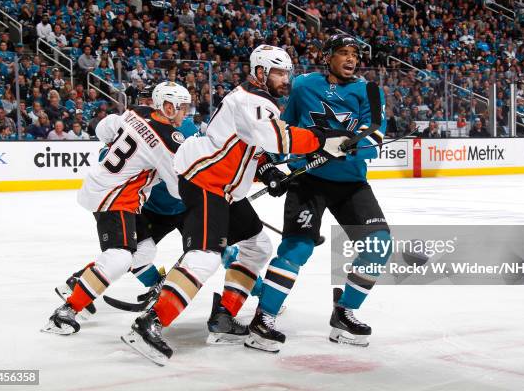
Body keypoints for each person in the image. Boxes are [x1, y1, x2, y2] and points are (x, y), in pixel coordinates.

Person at [121, 44, 353, 365]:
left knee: (257, 247)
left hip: (224, 188)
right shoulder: (253, 100)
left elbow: (250, 147)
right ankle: (149, 324)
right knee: (204, 258)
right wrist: (322, 138)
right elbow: (277, 138)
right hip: (205, 181)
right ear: (260, 72)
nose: (285, 78)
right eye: (278, 72)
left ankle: (225, 317)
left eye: (287, 72)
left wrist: (267, 170)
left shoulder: (257, 99)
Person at [245, 34, 393, 353]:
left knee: (379, 245)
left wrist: (349, 146)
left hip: (351, 183)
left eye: (354, 53)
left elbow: (376, 137)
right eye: (343, 53)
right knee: (296, 248)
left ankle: (344, 314)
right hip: (308, 180)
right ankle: (263, 319)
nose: (351, 59)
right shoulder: (303, 86)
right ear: (327, 57)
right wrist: (270, 168)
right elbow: (283, 130)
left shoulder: (369, 90)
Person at [41, 81, 193, 335]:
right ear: (167, 107)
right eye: (182, 108)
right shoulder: (168, 141)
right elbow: (178, 189)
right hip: (115, 198)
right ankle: (66, 311)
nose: (185, 114)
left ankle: (81, 283)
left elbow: (103, 129)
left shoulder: (136, 113)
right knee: (120, 256)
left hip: (101, 186)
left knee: (143, 250)